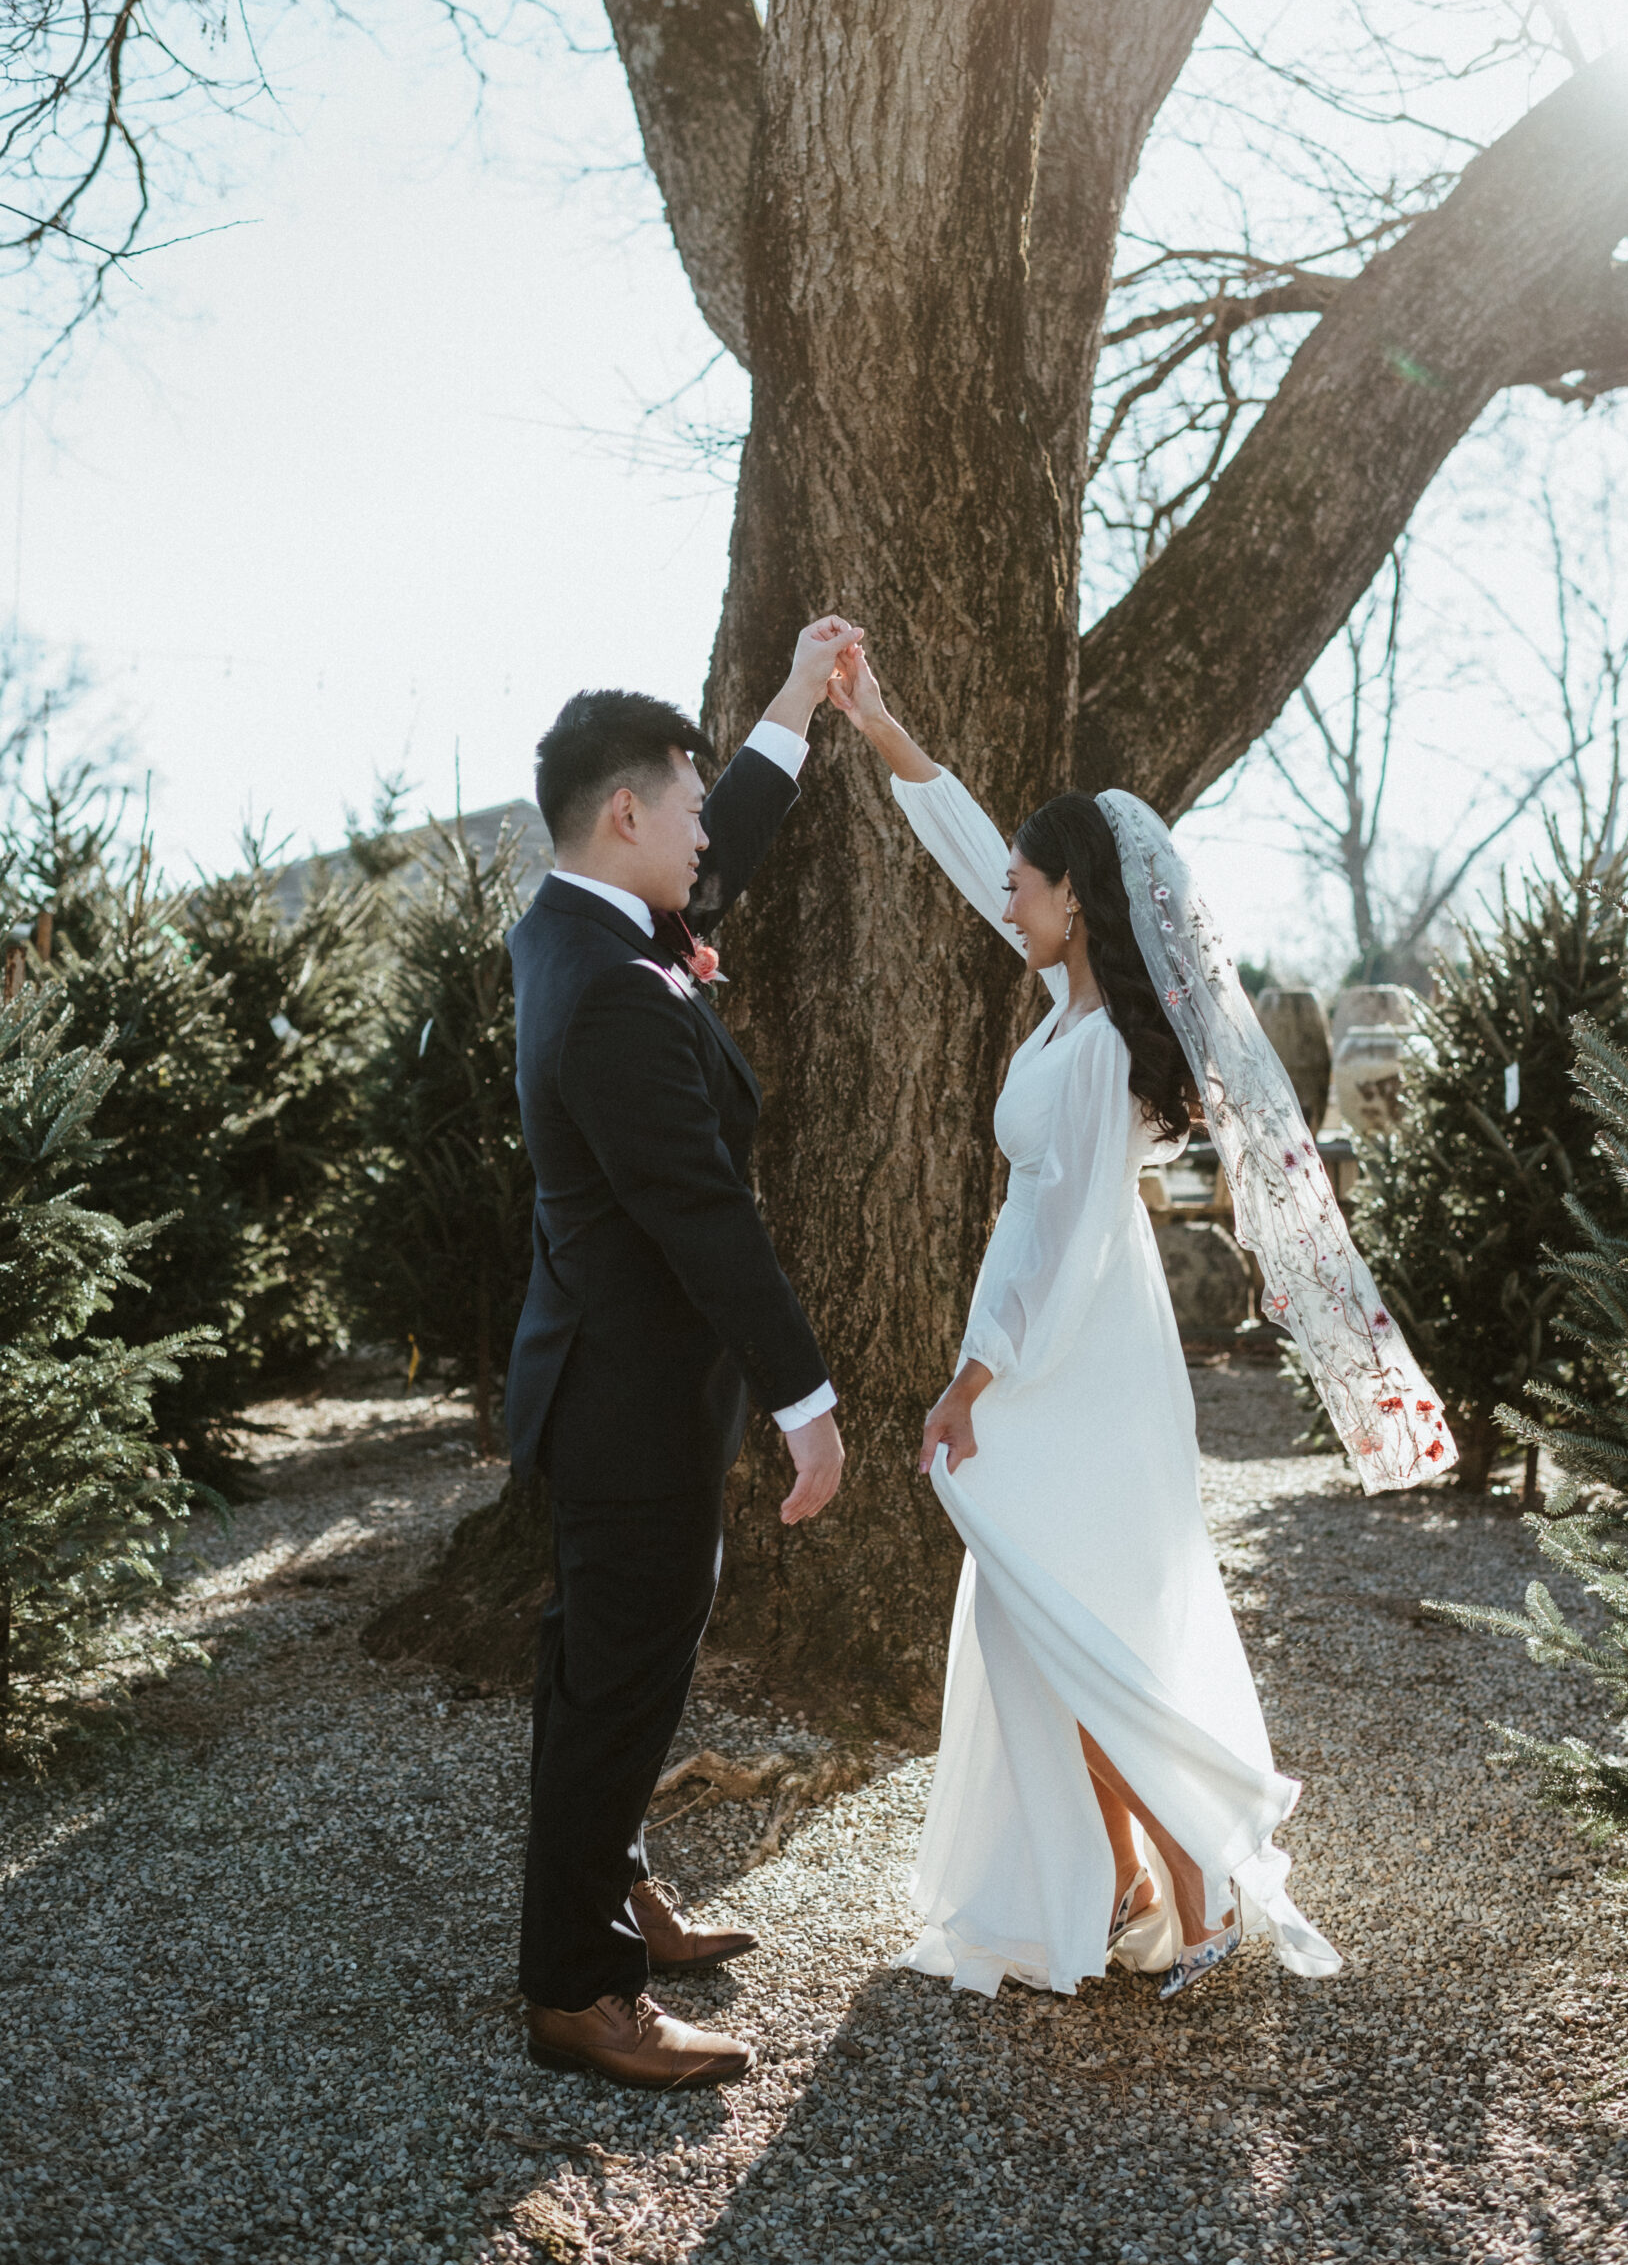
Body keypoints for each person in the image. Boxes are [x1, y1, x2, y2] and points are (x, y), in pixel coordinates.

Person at [828, 646, 1455, 2000]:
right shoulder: (1068, 1001)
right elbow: (969, 845)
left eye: (1027, 880)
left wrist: (970, 1385)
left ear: (1075, 902)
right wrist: (880, 724)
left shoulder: (1108, 1044)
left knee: (1067, 1626)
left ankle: (1192, 1882)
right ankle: (1126, 1883)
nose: (1007, 890)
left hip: (1069, 1360)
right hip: (1053, 1349)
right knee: (1029, 1627)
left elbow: (1051, 1247)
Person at [508, 618, 859, 2089]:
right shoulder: (607, 990)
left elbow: (722, 868)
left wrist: (792, 707)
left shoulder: (581, 929)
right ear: (629, 813)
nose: (708, 837)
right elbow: (706, 1220)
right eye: (691, 802)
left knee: (610, 1677)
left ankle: (612, 1887)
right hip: (629, 1407)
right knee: (619, 1684)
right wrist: (808, 1404)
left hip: (603, 1386)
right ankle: (578, 1991)